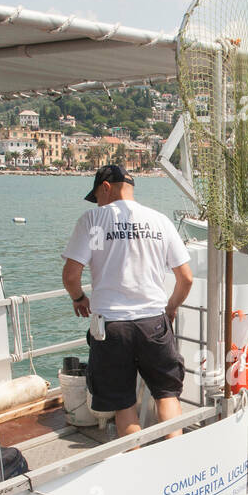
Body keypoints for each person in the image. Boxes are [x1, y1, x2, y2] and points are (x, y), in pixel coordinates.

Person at [61, 164, 194, 439]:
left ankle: (133, 465)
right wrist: (170, 308)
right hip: (154, 323)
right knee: (167, 395)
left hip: (111, 327)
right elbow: (186, 279)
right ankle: (178, 459)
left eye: (96, 195)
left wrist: (79, 298)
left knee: (123, 403)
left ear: (106, 187)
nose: (97, 203)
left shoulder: (93, 221)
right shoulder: (160, 221)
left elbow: (72, 275)